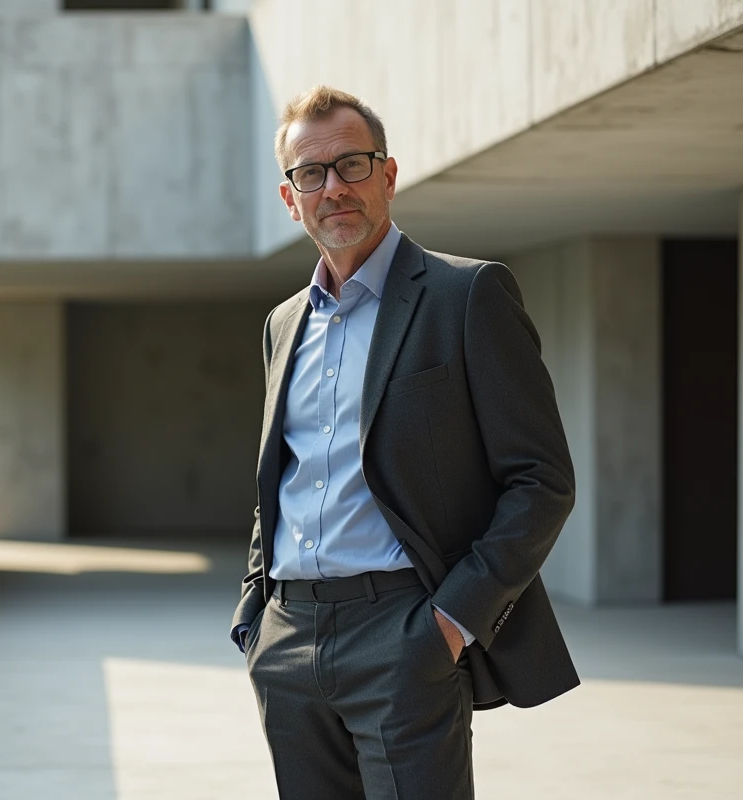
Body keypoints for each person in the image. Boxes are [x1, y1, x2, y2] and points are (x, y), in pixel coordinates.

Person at [232, 85, 580, 800]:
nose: (334, 188)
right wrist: (254, 616)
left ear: (387, 175)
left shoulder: (467, 295)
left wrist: (447, 626)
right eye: (311, 174)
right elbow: (284, 477)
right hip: (288, 640)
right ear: (289, 196)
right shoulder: (282, 323)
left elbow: (542, 480)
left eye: (352, 164)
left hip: (404, 635)